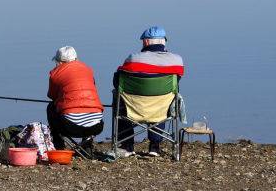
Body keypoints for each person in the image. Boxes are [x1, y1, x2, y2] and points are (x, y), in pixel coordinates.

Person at [114, 26, 184, 157]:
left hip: (133, 108)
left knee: (120, 100)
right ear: (164, 41)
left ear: (146, 42)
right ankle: (155, 147)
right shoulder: (177, 60)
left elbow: (117, 81)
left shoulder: (133, 59)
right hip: (161, 109)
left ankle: (127, 146)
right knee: (162, 99)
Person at [46, 46, 104, 152]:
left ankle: (58, 146)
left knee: (50, 107)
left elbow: (52, 96)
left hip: (70, 126)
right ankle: (86, 145)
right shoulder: (88, 70)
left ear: (59, 61)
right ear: (76, 59)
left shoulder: (55, 73)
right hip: (97, 125)